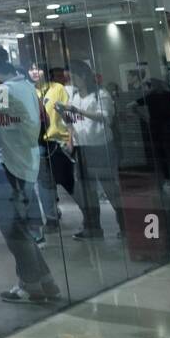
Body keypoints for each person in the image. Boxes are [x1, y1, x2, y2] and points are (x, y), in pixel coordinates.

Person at [0, 46, 62, 304]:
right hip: (19, 164)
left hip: (7, 166)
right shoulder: (23, 87)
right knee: (18, 228)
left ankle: (33, 283)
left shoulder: (7, 91)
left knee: (12, 229)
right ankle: (43, 281)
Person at [62, 61, 124, 240]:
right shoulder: (74, 95)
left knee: (110, 187)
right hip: (81, 147)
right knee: (86, 191)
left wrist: (78, 111)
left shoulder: (100, 94)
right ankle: (92, 227)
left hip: (100, 147)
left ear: (83, 76)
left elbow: (105, 117)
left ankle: (126, 226)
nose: (71, 80)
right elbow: (71, 121)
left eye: (73, 76)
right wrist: (70, 132)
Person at [32, 65, 75, 231]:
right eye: (31, 69)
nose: (35, 71)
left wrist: (70, 138)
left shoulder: (58, 89)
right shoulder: (30, 92)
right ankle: (51, 217)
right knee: (44, 182)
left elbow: (68, 115)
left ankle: (90, 217)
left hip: (59, 141)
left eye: (38, 68)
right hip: (40, 142)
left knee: (68, 180)